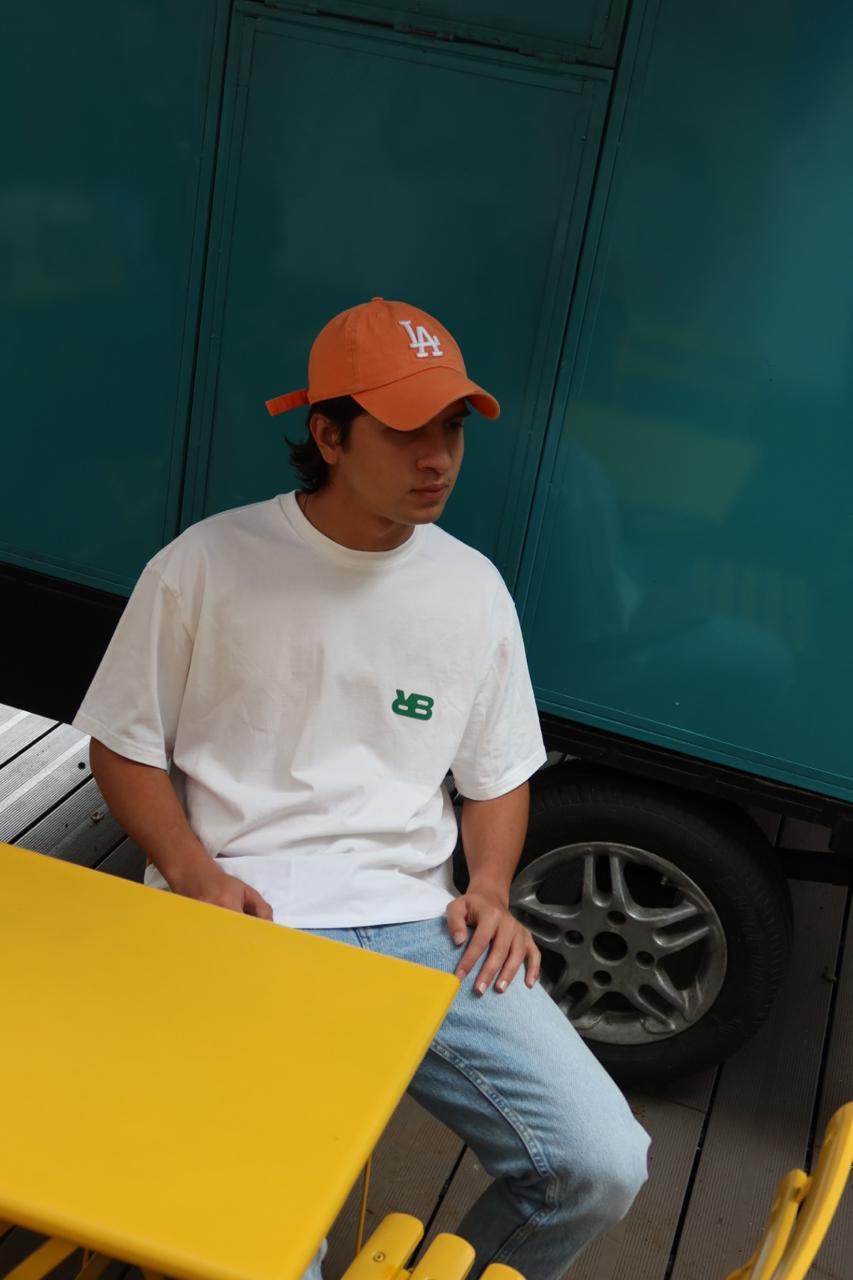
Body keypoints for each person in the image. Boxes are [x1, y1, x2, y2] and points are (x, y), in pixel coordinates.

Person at [74, 297, 650, 1280]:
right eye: (408, 429)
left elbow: (496, 774)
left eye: (453, 427)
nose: (439, 457)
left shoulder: (471, 589)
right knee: (268, 1238)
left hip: (423, 920)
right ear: (330, 435)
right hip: (244, 916)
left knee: (599, 1163)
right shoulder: (206, 563)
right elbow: (122, 745)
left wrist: (491, 886)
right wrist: (192, 871)